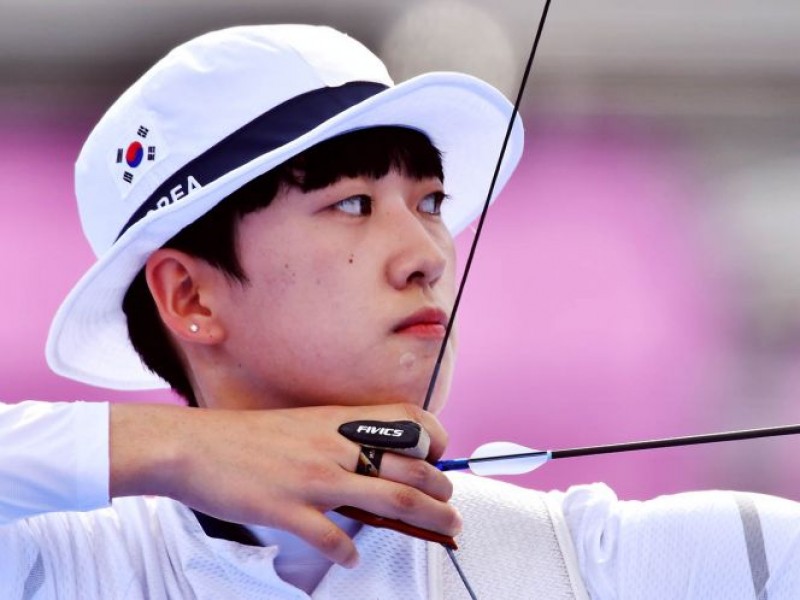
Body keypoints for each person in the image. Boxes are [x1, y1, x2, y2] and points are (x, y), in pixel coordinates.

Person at [4, 23, 800, 599]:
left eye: (430, 202)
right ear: (190, 295)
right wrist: (181, 451)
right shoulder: (63, 570)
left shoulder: (603, 566)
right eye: (352, 204)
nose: (429, 253)